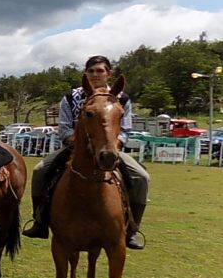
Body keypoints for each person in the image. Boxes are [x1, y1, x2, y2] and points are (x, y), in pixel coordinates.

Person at [23, 55, 150, 250]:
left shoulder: (121, 98)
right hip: (75, 148)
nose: (95, 74)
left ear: (109, 73)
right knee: (40, 170)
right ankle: (39, 222)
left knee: (141, 176)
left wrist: (113, 145)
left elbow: (125, 129)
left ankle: (132, 229)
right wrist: (78, 144)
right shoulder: (70, 97)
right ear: (85, 74)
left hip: (108, 149)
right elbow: (64, 127)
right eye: (91, 71)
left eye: (100, 70)